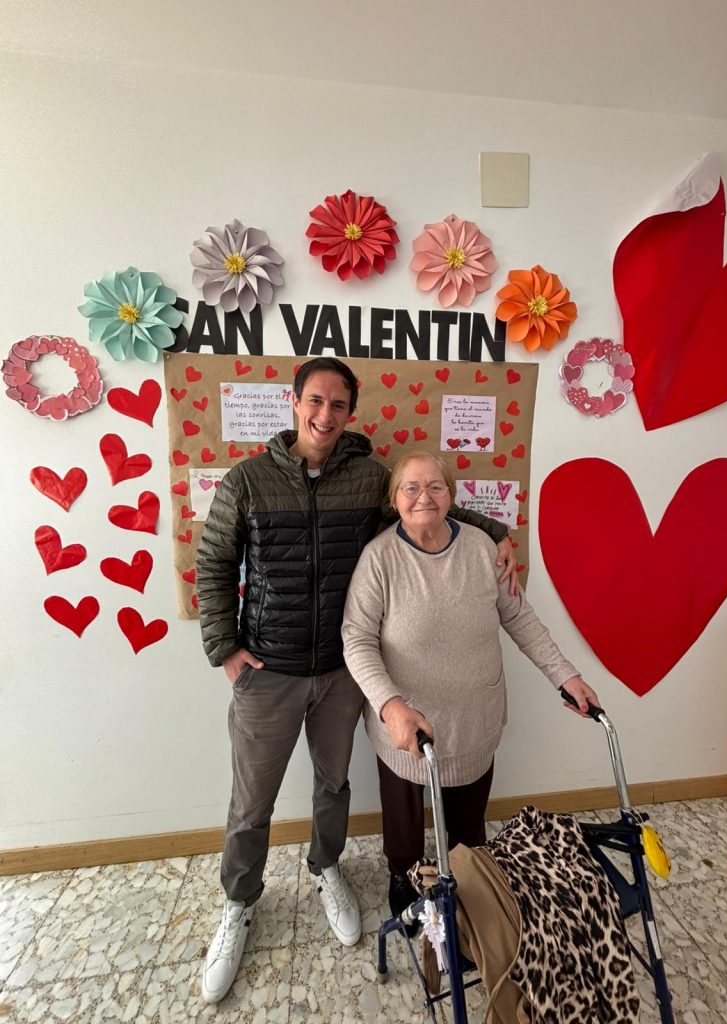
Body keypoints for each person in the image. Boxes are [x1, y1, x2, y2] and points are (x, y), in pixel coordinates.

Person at [195, 357, 517, 1003]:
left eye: (338, 405)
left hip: (343, 672)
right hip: (268, 670)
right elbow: (213, 559)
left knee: (333, 785)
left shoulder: (369, 477)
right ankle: (239, 902)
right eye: (315, 401)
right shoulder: (248, 480)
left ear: (350, 412)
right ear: (294, 403)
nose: (325, 415)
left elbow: (425, 509)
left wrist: (497, 532)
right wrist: (224, 647)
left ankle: (326, 868)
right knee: (251, 801)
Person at [341, 452, 599, 923]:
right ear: (394, 499)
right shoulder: (378, 558)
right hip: (404, 723)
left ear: (452, 495)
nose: (424, 497)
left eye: (435, 486)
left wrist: (566, 675)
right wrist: (390, 706)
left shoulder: (482, 547)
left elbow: (519, 618)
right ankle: (403, 874)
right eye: (411, 488)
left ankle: (468, 875)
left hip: (474, 716)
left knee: (467, 824)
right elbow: (356, 639)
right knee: (402, 817)